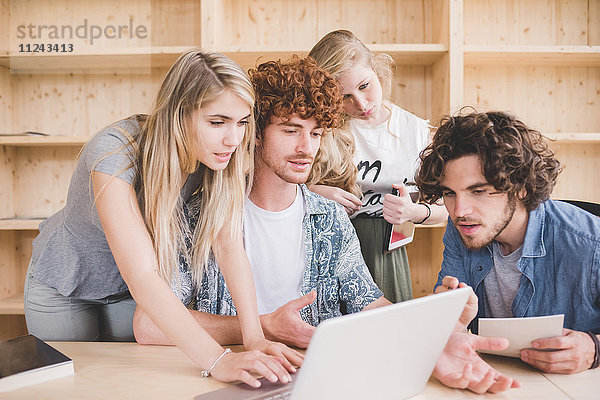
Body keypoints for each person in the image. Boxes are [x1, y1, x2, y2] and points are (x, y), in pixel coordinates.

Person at [134, 57, 520, 394]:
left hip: (311, 383)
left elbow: (370, 305)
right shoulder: (200, 214)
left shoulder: (329, 218)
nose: (307, 147)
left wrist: (429, 337)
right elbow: (149, 326)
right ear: (253, 134)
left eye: (316, 132)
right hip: (225, 378)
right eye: (291, 130)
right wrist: (263, 328)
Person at [24, 49, 299, 388]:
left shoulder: (217, 157)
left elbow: (228, 245)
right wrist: (218, 360)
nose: (233, 139)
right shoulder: (113, 152)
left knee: (131, 384)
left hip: (128, 294)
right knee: (69, 387)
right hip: (65, 286)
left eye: (242, 122)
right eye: (217, 122)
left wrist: (254, 337)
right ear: (179, 114)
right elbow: (142, 273)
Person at [416, 110, 600, 374]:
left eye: (478, 191)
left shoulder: (591, 242)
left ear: (521, 187)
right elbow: (448, 324)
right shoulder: (461, 229)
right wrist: (446, 319)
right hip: (494, 379)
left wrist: (594, 349)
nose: (459, 211)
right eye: (449, 193)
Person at [306, 30, 448, 303]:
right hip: (329, 251)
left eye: (364, 86)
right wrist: (315, 192)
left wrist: (412, 211)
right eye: (343, 97)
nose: (360, 104)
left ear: (378, 71)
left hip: (388, 254)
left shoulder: (415, 130)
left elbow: (445, 210)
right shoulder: (321, 129)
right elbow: (280, 191)